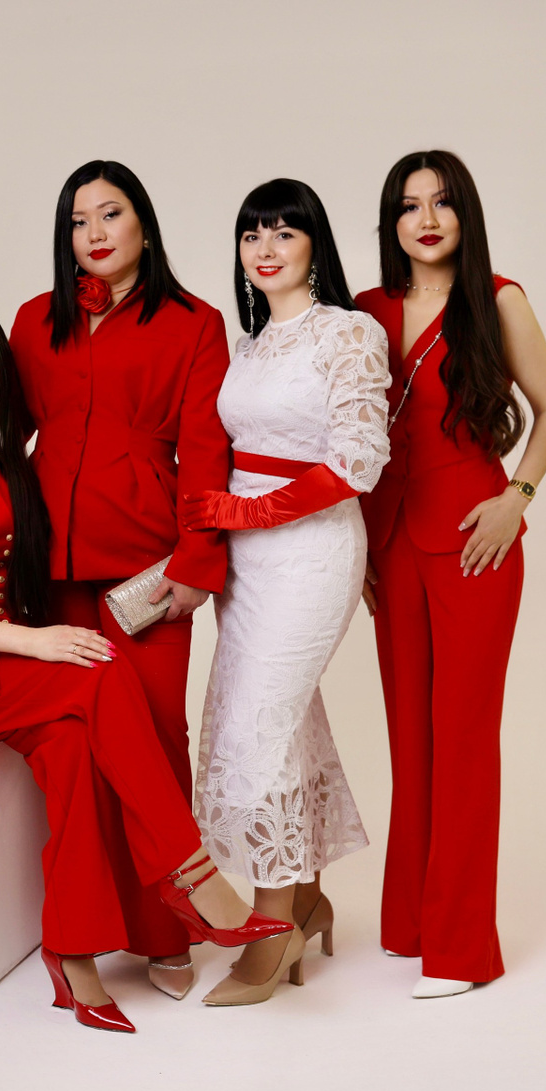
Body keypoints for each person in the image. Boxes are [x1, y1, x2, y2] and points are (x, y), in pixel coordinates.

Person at [0, 294, 289, 1035]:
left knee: (72, 750)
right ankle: (195, 879)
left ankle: (73, 953)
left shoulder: (4, 455)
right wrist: (37, 643)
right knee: (99, 672)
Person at [9, 160, 233, 999]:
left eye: (110, 214)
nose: (94, 233)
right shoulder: (36, 320)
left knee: (155, 738)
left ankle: (166, 933)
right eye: (79, 220)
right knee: (77, 748)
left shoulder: (194, 322)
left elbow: (207, 450)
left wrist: (197, 565)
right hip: (50, 567)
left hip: (147, 567)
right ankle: (89, 926)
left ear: (144, 222)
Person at [356, 150, 546, 998]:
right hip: (390, 544)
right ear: (391, 223)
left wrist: (518, 497)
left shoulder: (498, 298)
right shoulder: (366, 311)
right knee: (410, 738)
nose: (426, 219)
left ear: (465, 215)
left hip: (476, 541)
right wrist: (358, 548)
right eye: (408, 206)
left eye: (442, 203)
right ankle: (411, 922)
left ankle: (460, 950)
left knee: (465, 742)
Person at [179, 180, 390, 1004]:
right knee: (285, 721)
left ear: (314, 244)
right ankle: (306, 899)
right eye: (251, 234)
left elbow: (357, 460)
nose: (265, 249)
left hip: (312, 551)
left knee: (257, 730)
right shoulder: (250, 344)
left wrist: (251, 511)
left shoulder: (349, 332)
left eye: (284, 232)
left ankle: (270, 935)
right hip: (248, 565)